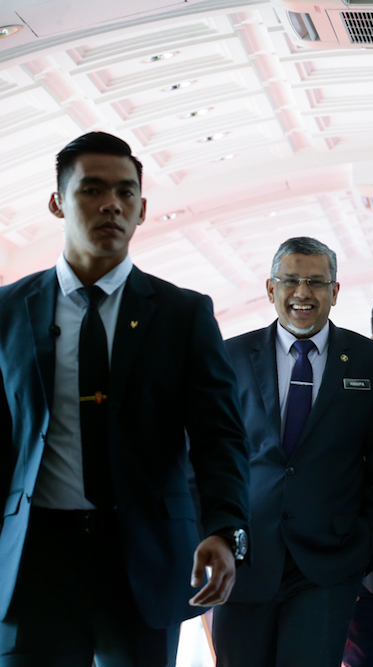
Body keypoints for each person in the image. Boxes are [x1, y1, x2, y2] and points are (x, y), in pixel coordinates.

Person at [0, 132, 251, 665]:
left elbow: (219, 436)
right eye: (91, 189)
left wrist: (226, 530)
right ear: (57, 202)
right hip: (35, 557)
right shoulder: (9, 311)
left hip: (143, 554)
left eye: (125, 192)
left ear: (140, 210)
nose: (111, 203)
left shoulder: (183, 315)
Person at [213, 236, 373, 667]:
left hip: (328, 565)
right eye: (291, 281)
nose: (302, 293)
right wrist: (212, 532)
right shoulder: (231, 356)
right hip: (244, 558)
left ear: (335, 292)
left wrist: (368, 547)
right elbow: (206, 456)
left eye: (316, 282)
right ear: (269, 288)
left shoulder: (372, 363)